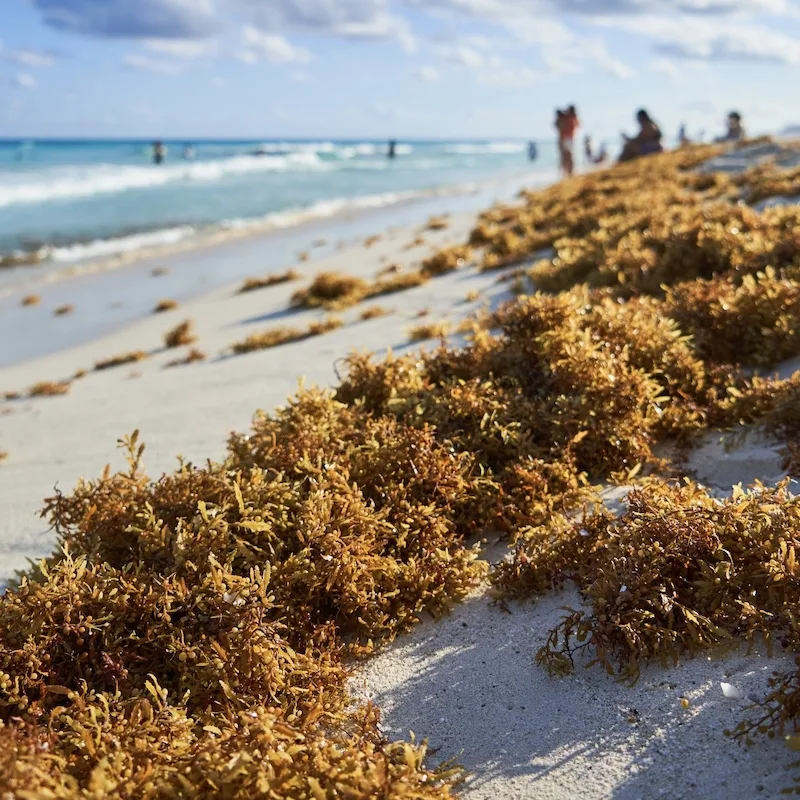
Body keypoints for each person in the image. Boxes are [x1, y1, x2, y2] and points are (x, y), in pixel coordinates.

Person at [556, 105, 579, 176]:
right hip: (569, 138)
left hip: (566, 138)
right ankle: (569, 171)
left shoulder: (570, 118)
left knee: (567, 155)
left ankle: (568, 172)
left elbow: (557, 125)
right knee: (568, 155)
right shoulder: (573, 118)